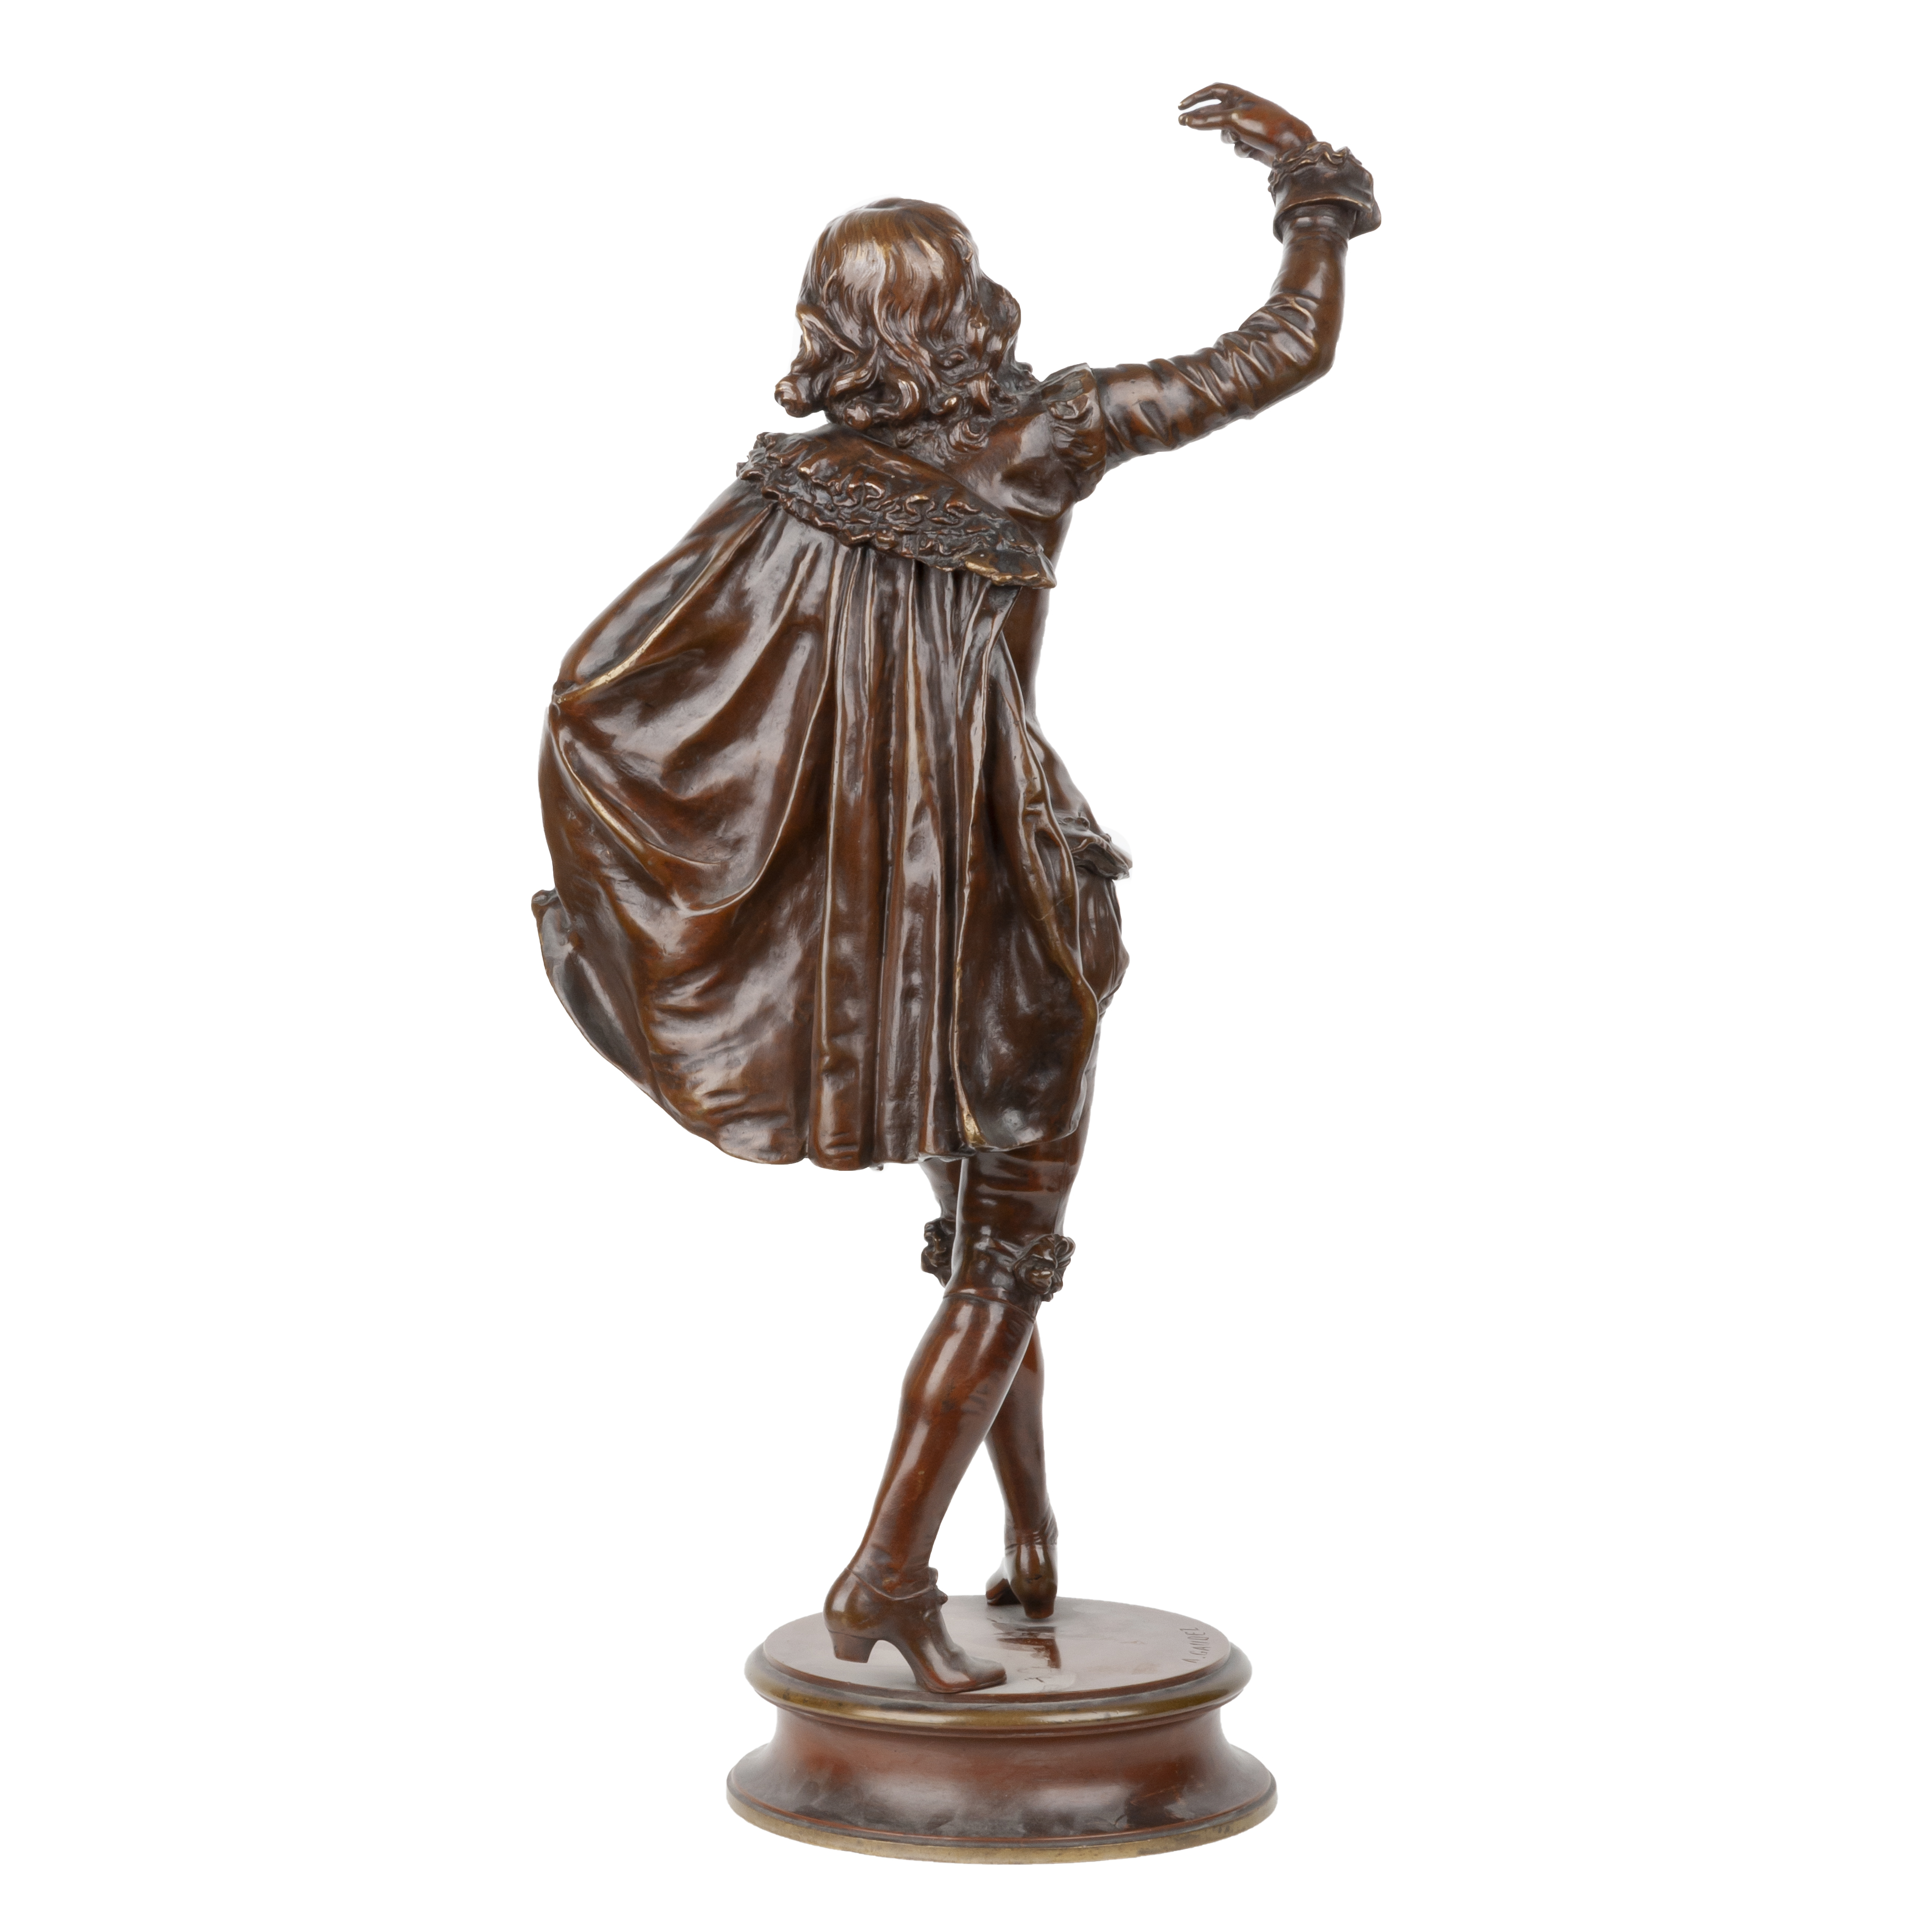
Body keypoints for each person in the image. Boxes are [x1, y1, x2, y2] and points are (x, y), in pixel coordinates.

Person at [534, 84, 1378, 1693]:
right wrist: (1318, 199)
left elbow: (601, 684)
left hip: (886, 953)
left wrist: (632, 889)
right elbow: (1280, 352)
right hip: (1015, 934)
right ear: (962, 310)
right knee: (1004, 1258)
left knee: (985, 1249)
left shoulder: (788, 491)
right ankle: (885, 1580)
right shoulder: (1043, 439)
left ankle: (1030, 1541)